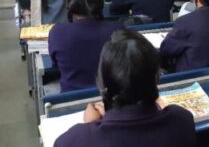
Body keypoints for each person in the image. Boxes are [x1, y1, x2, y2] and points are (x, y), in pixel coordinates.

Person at [54, 30, 196, 147]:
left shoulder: (70, 142)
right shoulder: (183, 121)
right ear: (156, 78)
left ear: (102, 84)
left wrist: (91, 127)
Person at [49, 0, 124, 92]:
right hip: (111, 100)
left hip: (70, 102)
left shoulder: (57, 32)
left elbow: (55, 65)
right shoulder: (118, 29)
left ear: (70, 4)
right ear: (102, 3)